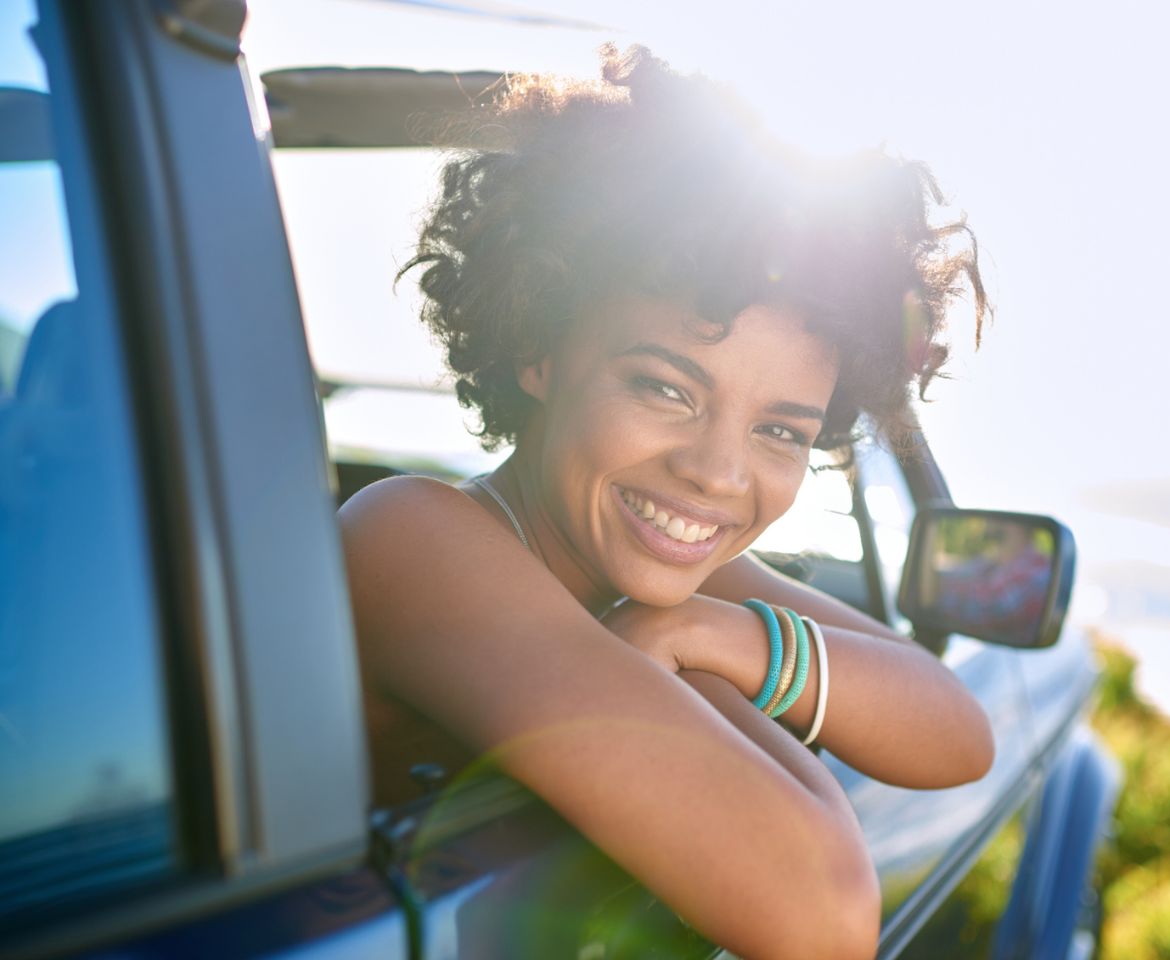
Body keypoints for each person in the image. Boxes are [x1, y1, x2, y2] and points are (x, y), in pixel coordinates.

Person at [339, 46, 993, 960]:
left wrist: (719, 639)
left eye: (781, 432)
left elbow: (958, 731)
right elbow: (822, 914)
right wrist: (681, 657)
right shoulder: (410, 538)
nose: (717, 475)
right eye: (665, 389)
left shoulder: (669, 578)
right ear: (540, 345)